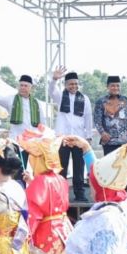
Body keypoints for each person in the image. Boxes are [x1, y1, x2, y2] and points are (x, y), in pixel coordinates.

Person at [48, 67, 93, 201]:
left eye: (75, 84)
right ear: (66, 85)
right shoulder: (61, 96)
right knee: (61, 167)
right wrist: (54, 79)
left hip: (79, 138)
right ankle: (60, 195)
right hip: (62, 138)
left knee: (79, 167)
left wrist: (88, 136)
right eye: (71, 84)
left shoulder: (84, 98)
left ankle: (79, 194)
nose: (73, 86)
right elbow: (51, 91)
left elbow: (88, 117)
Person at [93, 75, 127, 155]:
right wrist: (102, 133)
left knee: (124, 166)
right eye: (113, 86)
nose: (115, 88)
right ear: (107, 87)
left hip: (125, 142)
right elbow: (97, 121)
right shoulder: (101, 102)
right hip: (109, 142)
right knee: (110, 166)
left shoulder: (126, 101)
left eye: (118, 85)